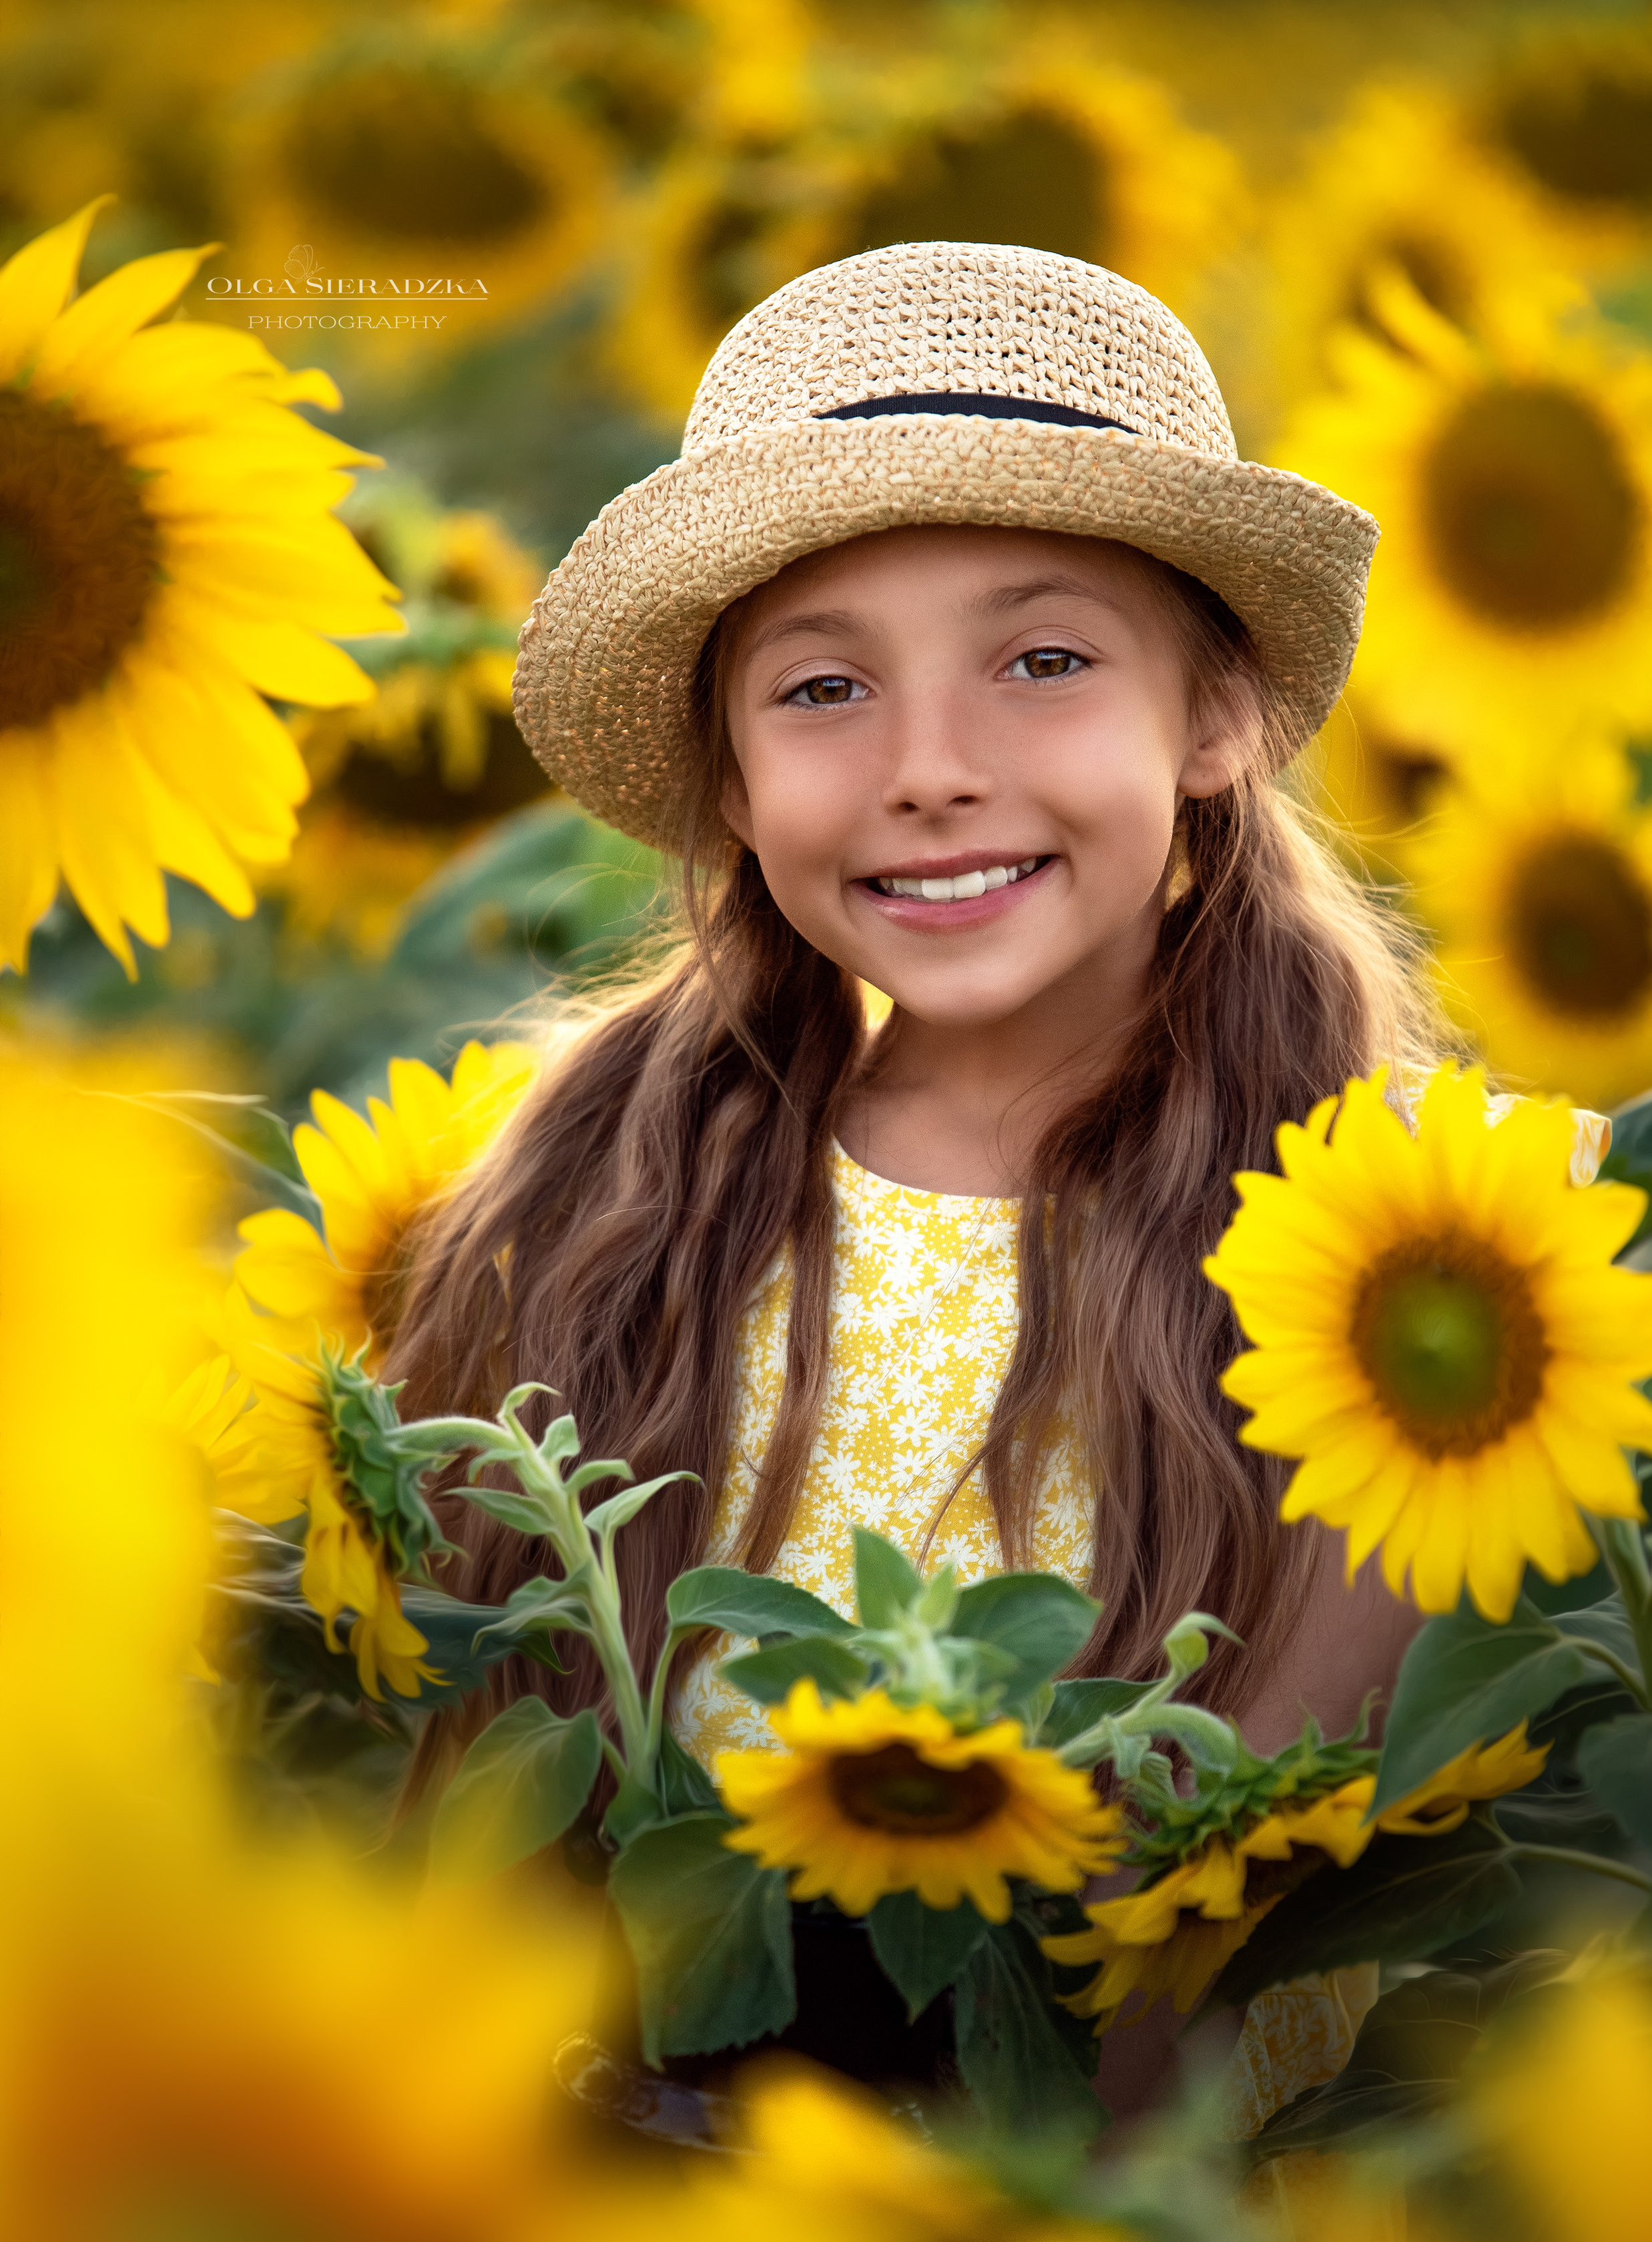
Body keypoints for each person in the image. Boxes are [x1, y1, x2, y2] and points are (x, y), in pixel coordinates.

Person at [390, 240, 1438, 2120]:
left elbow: (1203, 1952)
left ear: (1217, 719)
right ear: (725, 771)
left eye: (1043, 661)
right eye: (822, 688)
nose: (932, 769)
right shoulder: (589, 1200)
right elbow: (478, 1842)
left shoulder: (1391, 1252)